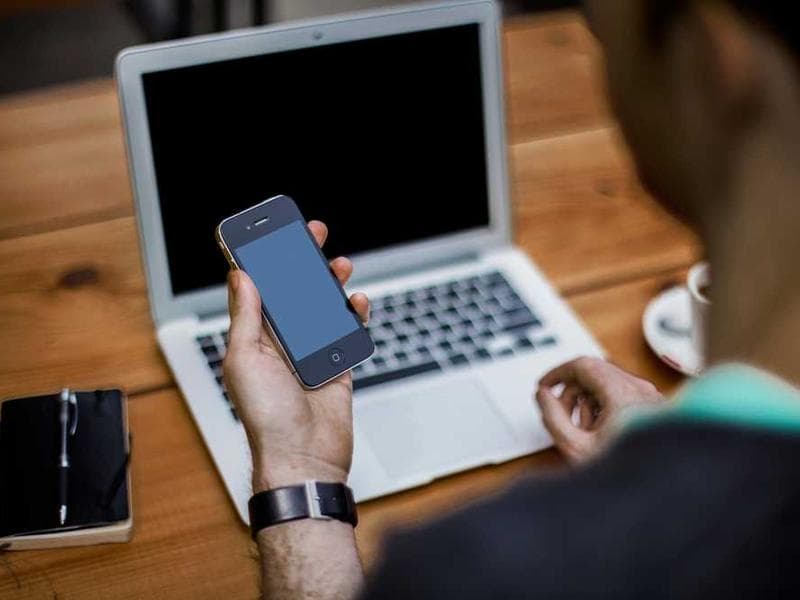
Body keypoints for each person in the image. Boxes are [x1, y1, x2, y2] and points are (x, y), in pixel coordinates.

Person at [223, 0, 800, 597]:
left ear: (708, 62)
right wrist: (663, 455)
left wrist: (300, 471)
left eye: (601, 31)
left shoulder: (481, 572)